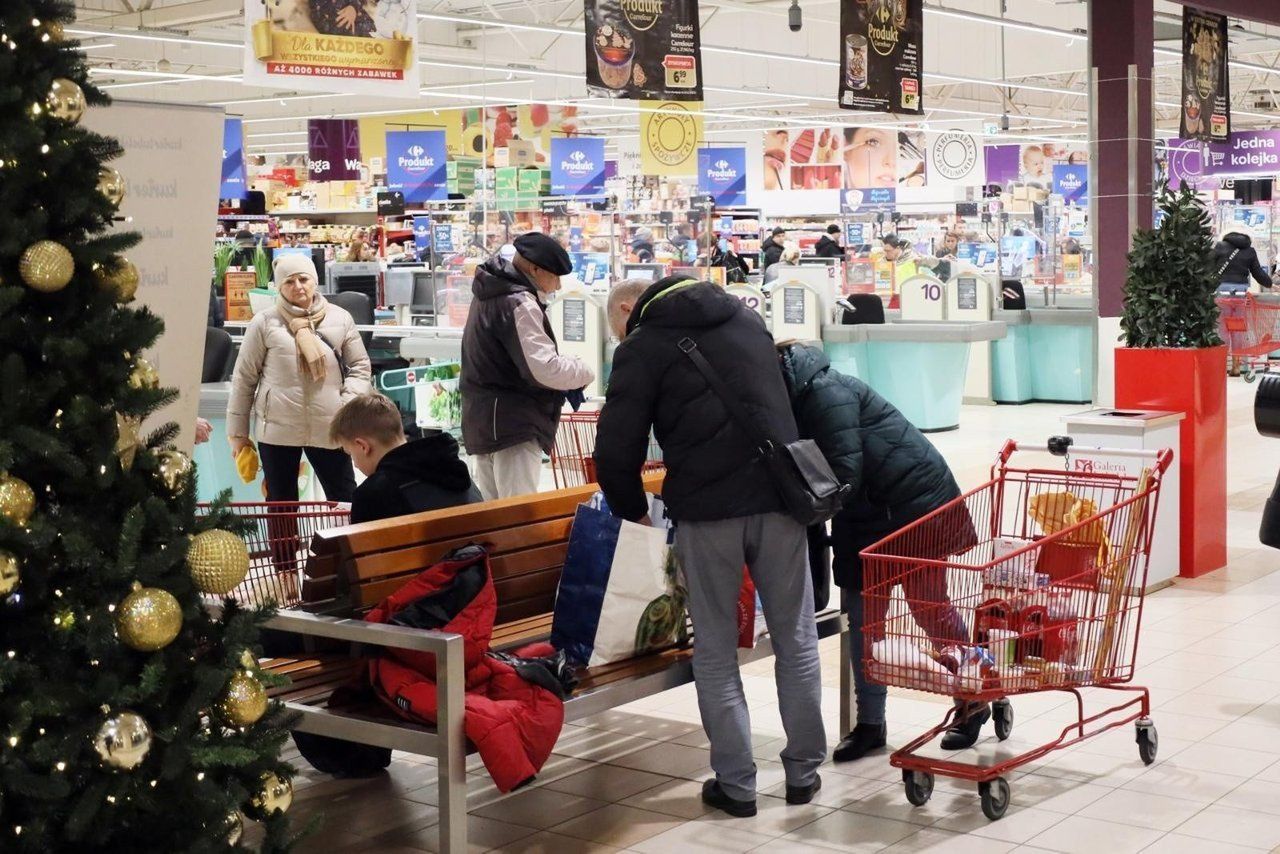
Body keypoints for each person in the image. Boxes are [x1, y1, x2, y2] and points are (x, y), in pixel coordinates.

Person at [595, 276, 826, 818]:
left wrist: (631, 508)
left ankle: (738, 784)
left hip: (707, 512)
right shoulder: (745, 320)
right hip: (780, 500)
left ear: (629, 309)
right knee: (795, 635)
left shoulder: (642, 347)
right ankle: (802, 773)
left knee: (717, 649)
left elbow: (615, 448)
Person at [777, 342, 990, 761]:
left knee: (928, 607)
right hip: (864, 512)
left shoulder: (824, 392)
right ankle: (871, 724)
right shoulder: (793, 394)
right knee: (863, 619)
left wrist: (797, 506)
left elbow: (842, 471)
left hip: (914, 504)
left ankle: (976, 698)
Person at [227, 253, 372, 503]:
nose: (298, 287)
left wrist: (345, 402)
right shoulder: (264, 323)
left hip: (330, 426)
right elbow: (244, 379)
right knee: (282, 506)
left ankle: (347, 544)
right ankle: (284, 545)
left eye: (303, 279)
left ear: (314, 281)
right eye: (289, 282)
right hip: (277, 430)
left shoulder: (340, 318)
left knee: (346, 499)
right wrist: (238, 435)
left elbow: (360, 365)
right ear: (280, 287)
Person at [460, 232, 595, 501]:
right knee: (517, 513)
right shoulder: (518, 302)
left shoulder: (490, 291)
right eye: (555, 276)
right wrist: (584, 371)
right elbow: (544, 368)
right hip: (514, 425)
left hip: (483, 419)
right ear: (534, 269)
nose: (556, 286)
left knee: (492, 513)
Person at [330, 393, 481, 525]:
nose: (355, 464)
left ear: (363, 446)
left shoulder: (371, 495)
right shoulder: (453, 467)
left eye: (351, 454)